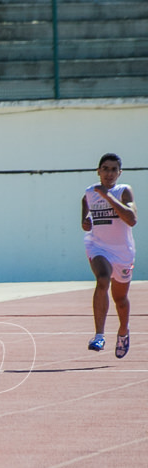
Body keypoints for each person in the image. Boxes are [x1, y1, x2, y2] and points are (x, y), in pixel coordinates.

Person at [81, 152, 137, 358]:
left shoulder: (124, 191)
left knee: (120, 299)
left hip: (122, 252)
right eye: (105, 168)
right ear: (98, 171)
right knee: (102, 279)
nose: (109, 173)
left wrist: (108, 196)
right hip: (98, 247)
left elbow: (132, 219)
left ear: (119, 172)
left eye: (114, 169)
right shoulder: (90, 191)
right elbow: (86, 209)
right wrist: (85, 220)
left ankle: (123, 330)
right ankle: (99, 335)